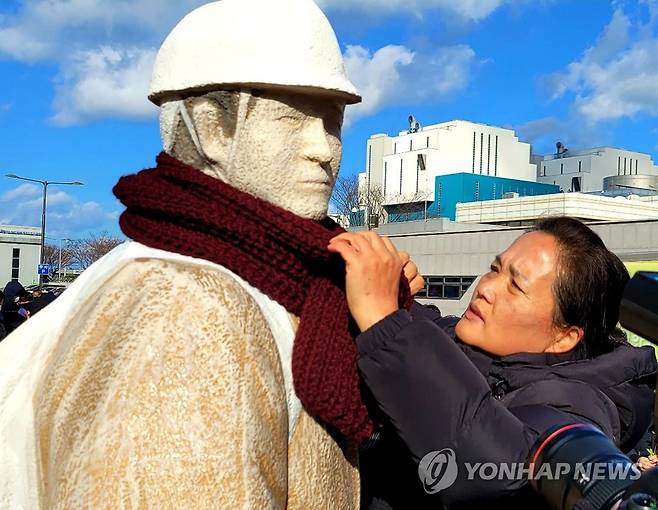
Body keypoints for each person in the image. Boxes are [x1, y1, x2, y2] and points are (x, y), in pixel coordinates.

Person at [0, 1, 415, 507]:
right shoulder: (189, 308)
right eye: (291, 119)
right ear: (210, 128)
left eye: (332, 124)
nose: (323, 150)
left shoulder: (292, 279)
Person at [328, 217, 657, 509]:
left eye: (515, 285)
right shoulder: (468, 341)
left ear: (564, 337)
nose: (486, 287)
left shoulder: (581, 405)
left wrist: (383, 317)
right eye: (495, 269)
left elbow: (497, 464)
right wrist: (389, 293)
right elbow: (422, 329)